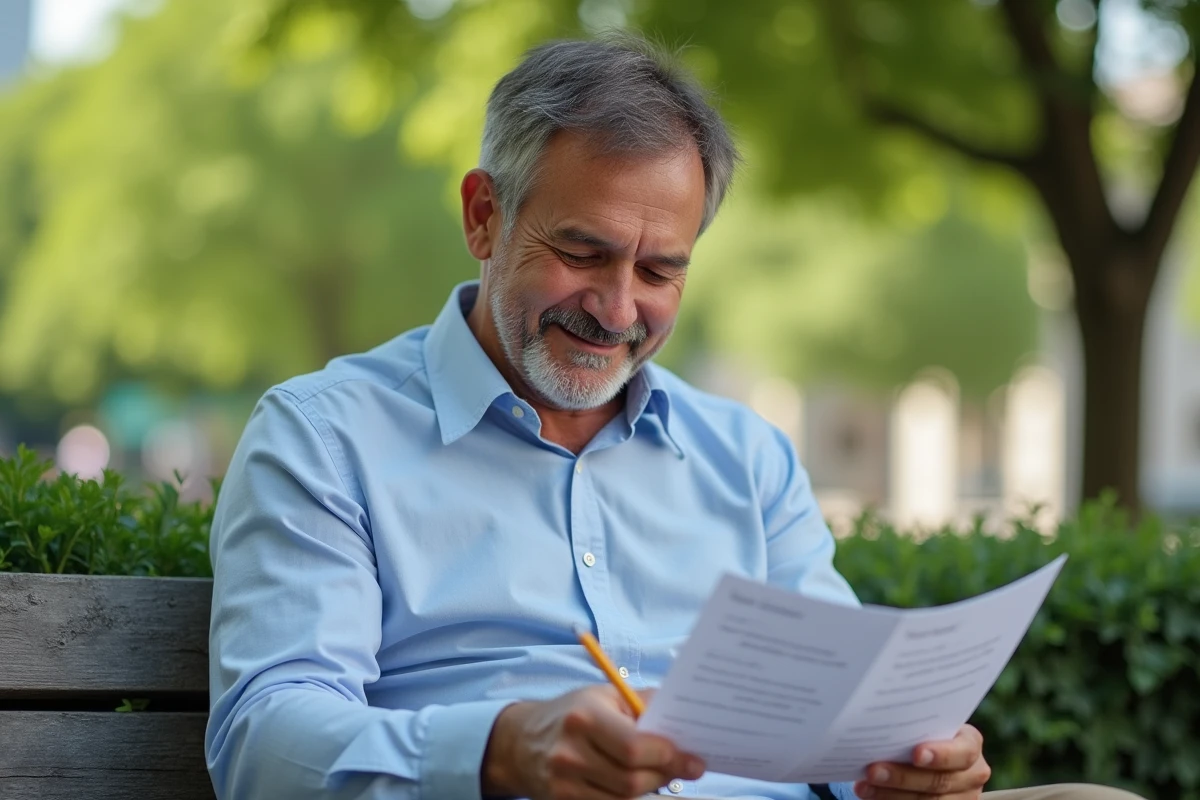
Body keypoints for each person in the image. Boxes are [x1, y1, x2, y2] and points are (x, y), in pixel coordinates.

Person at [204, 34, 1140, 800]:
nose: (617, 310)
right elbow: (264, 737)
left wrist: (906, 763)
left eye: (660, 272)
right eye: (582, 252)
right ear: (484, 216)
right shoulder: (324, 438)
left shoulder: (746, 458)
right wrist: (498, 748)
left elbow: (844, 718)